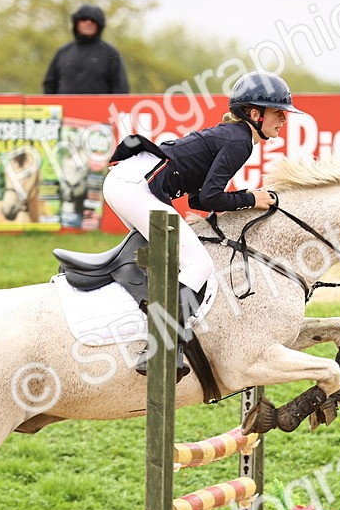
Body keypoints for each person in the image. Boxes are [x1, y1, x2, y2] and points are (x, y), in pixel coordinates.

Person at [103, 70, 299, 377]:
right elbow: (210, 197)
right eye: (278, 112)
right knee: (199, 265)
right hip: (135, 186)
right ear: (254, 114)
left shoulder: (234, 135)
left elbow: (197, 200)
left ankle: (133, 323)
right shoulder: (240, 142)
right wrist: (252, 199)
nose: (284, 119)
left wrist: (245, 199)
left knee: (168, 260)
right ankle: (159, 349)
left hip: (125, 182)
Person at [42, 4, 128, 95]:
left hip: (98, 104)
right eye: (84, 19)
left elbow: (120, 88)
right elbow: (50, 85)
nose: (88, 23)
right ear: (77, 23)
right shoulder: (63, 52)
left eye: (93, 20)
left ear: (99, 25)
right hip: (65, 104)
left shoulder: (110, 53)